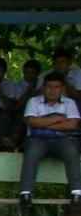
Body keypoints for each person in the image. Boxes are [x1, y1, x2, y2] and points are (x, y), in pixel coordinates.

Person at [18, 75, 80, 207]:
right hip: (37, 139)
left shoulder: (70, 103)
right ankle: (26, 193)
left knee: (72, 151)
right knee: (32, 152)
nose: (52, 90)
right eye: (49, 87)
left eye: (56, 87)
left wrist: (44, 123)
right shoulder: (33, 101)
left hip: (62, 140)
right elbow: (32, 121)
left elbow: (72, 125)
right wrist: (59, 118)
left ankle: (77, 193)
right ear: (43, 88)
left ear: (62, 89)